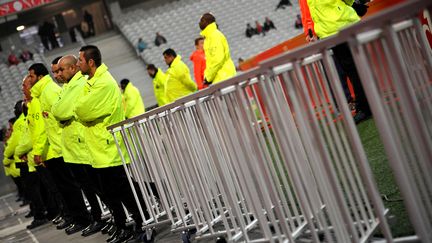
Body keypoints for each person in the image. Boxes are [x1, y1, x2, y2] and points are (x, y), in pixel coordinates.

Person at [74, 45, 151, 242]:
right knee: (113, 191)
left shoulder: (104, 83)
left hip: (108, 147)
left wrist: (83, 114)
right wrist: (82, 113)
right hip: (100, 147)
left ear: (91, 62)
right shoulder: (92, 81)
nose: (78, 63)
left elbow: (81, 111)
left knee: (124, 190)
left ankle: (145, 223)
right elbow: (79, 107)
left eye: (80, 60)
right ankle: (130, 224)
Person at [53, 55, 110, 236]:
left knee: (99, 187)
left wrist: (61, 114)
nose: (58, 74)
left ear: (72, 69)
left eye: (61, 70)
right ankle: (101, 218)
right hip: (74, 146)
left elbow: (62, 111)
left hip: (82, 143)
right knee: (90, 187)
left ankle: (111, 218)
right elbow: (58, 111)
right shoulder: (68, 87)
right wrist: (61, 113)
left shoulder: (78, 85)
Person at [307, 0, 371, 123]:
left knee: (353, 70)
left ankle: (365, 107)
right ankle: (365, 104)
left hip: (339, 27)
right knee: (352, 69)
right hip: (333, 30)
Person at [16, 76, 49, 229]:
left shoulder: (37, 103)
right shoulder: (30, 108)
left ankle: (58, 213)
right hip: (37, 155)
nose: (23, 89)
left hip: (44, 153)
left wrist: (18, 152)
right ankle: (63, 214)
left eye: (25, 86)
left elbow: (36, 133)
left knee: (53, 189)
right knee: (50, 189)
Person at [199, 13, 236, 85]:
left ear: (208, 22)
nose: (199, 23)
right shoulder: (208, 38)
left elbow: (218, 60)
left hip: (224, 76)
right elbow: (210, 62)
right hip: (219, 77)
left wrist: (208, 77)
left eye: (202, 20)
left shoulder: (214, 36)